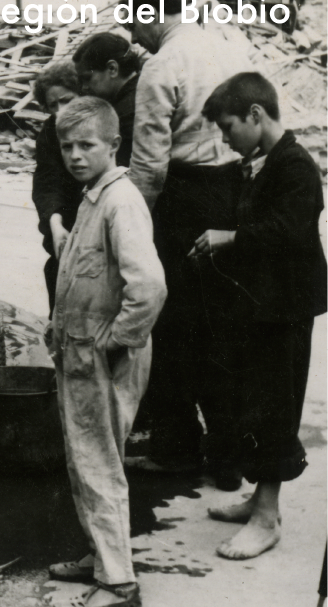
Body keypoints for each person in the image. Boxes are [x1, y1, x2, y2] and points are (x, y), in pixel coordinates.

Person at [195, 72, 328, 560]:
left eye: (228, 127)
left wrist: (230, 238)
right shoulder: (260, 161)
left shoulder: (296, 166)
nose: (226, 139)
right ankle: (258, 499)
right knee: (255, 400)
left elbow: (288, 231)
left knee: (274, 408)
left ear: (255, 115)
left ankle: (267, 517)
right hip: (263, 306)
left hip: (287, 309)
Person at [125, 0, 255, 487]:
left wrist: (132, 228)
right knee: (224, 327)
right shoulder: (226, 42)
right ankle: (228, 455)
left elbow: (150, 165)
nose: (135, 39)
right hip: (232, 194)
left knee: (175, 328)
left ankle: (177, 448)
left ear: (152, 14)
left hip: (184, 201)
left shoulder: (163, 64)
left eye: (135, 24)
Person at [46, 96, 167, 607]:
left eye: (87, 145)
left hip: (102, 355)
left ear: (114, 145)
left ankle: (118, 583)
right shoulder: (93, 195)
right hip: (78, 352)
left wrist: (119, 340)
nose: (75, 155)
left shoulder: (121, 201)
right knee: (87, 458)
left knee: (99, 464)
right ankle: (100, 554)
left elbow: (150, 286)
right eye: (67, 146)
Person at [31, 61, 82, 313]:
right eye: (54, 105)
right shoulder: (50, 131)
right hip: (66, 221)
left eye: (67, 100)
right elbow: (46, 181)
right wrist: (55, 224)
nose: (61, 111)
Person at [72, 32, 140, 167]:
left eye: (87, 78)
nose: (84, 87)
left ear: (112, 69)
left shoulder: (126, 112)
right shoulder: (142, 89)